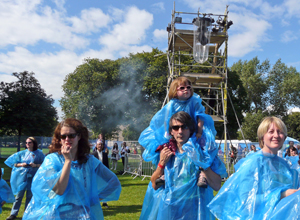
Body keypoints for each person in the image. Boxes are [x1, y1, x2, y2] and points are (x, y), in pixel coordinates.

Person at [22, 118, 121, 220]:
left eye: (71, 135)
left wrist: (92, 200)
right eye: (63, 136)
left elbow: (113, 183)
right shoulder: (52, 160)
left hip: (83, 215)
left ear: (79, 136)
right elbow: (59, 190)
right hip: (58, 215)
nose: (67, 139)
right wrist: (68, 161)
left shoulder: (90, 161)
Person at [208, 116, 299, 219]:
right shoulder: (253, 163)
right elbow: (244, 200)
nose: (276, 135)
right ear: (262, 136)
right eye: (271, 131)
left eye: (280, 132)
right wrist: (281, 195)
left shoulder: (284, 165)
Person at [140, 111, 226, 220]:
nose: (180, 131)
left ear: (190, 129)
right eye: (176, 128)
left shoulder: (203, 152)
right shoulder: (166, 152)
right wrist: (161, 164)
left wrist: (202, 164)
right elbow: (154, 185)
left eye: (184, 127)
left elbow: (217, 185)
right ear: (171, 131)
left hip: (195, 210)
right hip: (171, 210)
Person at [139, 76, 218, 188]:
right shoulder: (171, 105)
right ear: (175, 92)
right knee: (168, 149)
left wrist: (199, 132)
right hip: (170, 202)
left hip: (194, 134)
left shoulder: (194, 102)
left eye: (188, 87)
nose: (186, 90)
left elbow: (201, 117)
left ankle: (202, 175)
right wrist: (167, 133)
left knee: (202, 150)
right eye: (182, 88)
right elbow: (166, 119)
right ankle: (165, 175)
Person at [5, 137, 45, 220]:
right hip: (22, 178)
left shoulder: (40, 154)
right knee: (18, 196)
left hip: (34, 178)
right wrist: (21, 164)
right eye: (26, 142)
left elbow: (45, 165)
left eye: (29, 142)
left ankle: (27, 214)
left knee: (29, 197)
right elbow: (13, 163)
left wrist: (36, 165)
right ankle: (13, 214)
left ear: (34, 143)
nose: (27, 144)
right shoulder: (22, 153)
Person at [92, 140, 110, 209]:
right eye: (98, 144)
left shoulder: (105, 155)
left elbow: (107, 165)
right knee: (96, 189)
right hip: (95, 174)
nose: (100, 146)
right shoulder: (93, 155)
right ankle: (96, 202)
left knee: (103, 188)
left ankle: (104, 202)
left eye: (101, 145)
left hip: (103, 175)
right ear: (96, 146)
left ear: (102, 146)